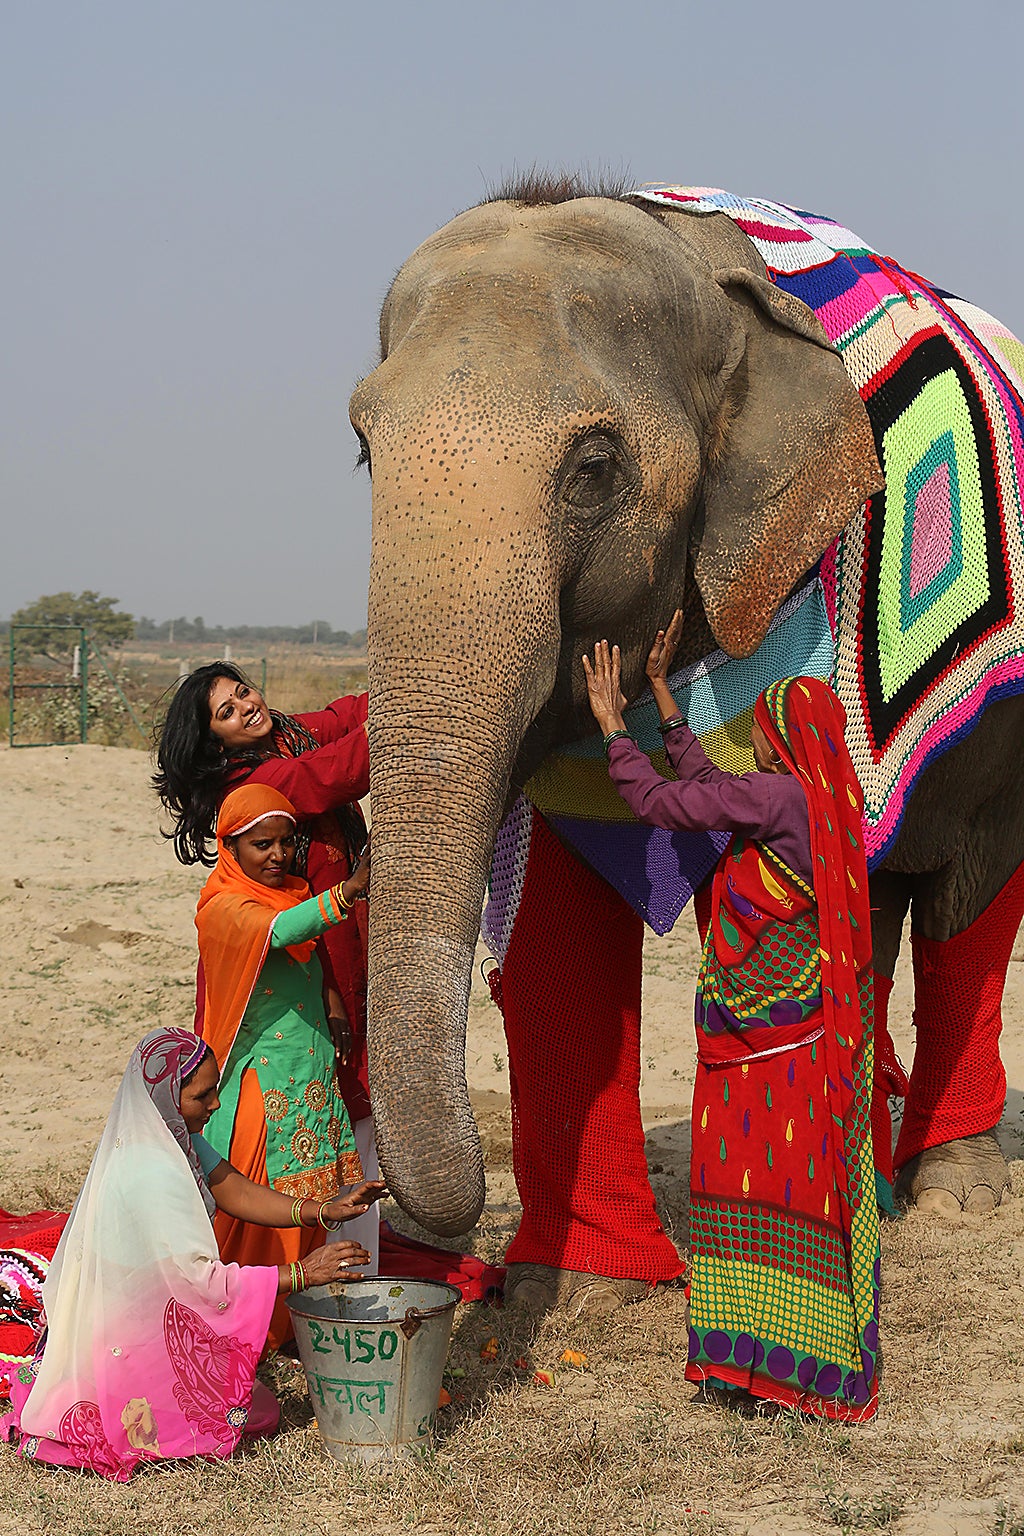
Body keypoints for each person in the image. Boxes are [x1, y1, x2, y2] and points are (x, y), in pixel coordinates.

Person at [583, 613, 881, 1421]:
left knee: (732, 1189)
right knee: (791, 1198)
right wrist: (666, 707)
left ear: (783, 738)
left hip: (754, 1052)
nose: (755, 741)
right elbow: (720, 793)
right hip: (809, 1042)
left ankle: (740, 1363)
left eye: (763, 729)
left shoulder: (778, 794)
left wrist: (614, 726)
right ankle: (798, 1365)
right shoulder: (827, 801)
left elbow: (663, 800)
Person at [1, 1029, 375, 1480]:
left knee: (253, 1404)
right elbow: (202, 1284)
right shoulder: (154, 1172)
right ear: (167, 1098)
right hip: (134, 1330)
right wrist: (302, 1273)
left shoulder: (170, 1137)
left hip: (146, 1315)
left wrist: (321, 1212)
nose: (215, 1104)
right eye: (204, 1095)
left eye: (215, 1089)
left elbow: (230, 1186)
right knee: (252, 1415)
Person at [195, 782, 380, 1348]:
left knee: (320, 1189)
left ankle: (305, 1318)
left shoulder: (293, 891)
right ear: (230, 847)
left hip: (312, 1070)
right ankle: (245, 1320)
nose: (277, 856)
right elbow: (281, 933)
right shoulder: (223, 906)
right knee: (256, 1202)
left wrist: (332, 1003)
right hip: (263, 1082)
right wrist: (348, 892)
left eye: (285, 842)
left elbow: (309, 952)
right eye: (261, 845)